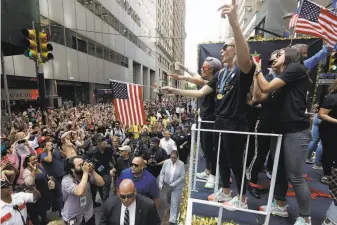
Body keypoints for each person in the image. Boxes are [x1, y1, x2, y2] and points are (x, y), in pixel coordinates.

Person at [162, 0, 255, 209]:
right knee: (220, 158)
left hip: (235, 123)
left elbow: (245, 57)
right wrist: (174, 90)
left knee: (234, 161)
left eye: (226, 47)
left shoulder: (243, 70)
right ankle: (225, 191)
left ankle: (242, 199)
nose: (222, 51)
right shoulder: (221, 73)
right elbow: (201, 91)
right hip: (219, 122)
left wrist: (235, 24)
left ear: (235, 49)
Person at [255, 48, 312, 225]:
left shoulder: (296, 68)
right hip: (278, 131)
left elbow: (265, 87)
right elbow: (258, 96)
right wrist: (255, 75)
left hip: (296, 130)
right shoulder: (279, 78)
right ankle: (280, 205)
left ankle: (305, 217)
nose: (274, 59)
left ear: (290, 57)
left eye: (279, 55)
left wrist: (257, 70)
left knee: (295, 176)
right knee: (278, 171)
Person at [61, 156, 104, 225]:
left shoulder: (87, 175)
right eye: (80, 165)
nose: (83, 167)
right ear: (72, 169)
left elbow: (101, 183)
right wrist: (86, 172)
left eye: (83, 164)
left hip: (88, 214)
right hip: (74, 217)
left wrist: (92, 171)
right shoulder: (66, 180)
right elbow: (79, 192)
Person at [318, 78, 337, 185]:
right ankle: (327, 174)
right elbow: (321, 114)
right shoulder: (332, 98)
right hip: (329, 130)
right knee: (329, 152)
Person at [159, 151, 185, 225]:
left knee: (174, 203)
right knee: (169, 199)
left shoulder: (181, 164)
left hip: (176, 187)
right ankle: (171, 209)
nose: (173, 159)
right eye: (172, 158)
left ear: (177, 157)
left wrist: (174, 184)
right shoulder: (166, 162)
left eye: (175, 158)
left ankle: (172, 221)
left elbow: (182, 177)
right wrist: (160, 183)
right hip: (167, 185)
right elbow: (162, 173)